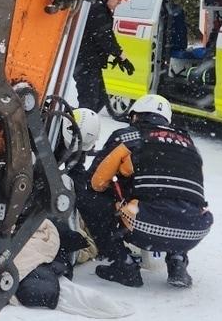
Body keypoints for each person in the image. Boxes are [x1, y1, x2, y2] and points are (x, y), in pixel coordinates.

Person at [82, 94, 212, 288]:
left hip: (146, 224)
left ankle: (123, 265)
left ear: (135, 116)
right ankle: (177, 260)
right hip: (195, 228)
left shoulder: (128, 136)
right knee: (179, 200)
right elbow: (193, 191)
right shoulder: (189, 143)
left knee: (91, 198)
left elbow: (96, 182)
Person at [74, 0, 135, 112]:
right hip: (85, 63)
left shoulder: (102, 10)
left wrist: (115, 55)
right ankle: (75, 129)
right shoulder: (97, 10)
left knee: (100, 99)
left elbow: (105, 37)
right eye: (118, 0)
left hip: (91, 63)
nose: (119, 3)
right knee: (89, 104)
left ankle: (78, 124)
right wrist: (121, 57)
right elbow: (105, 37)